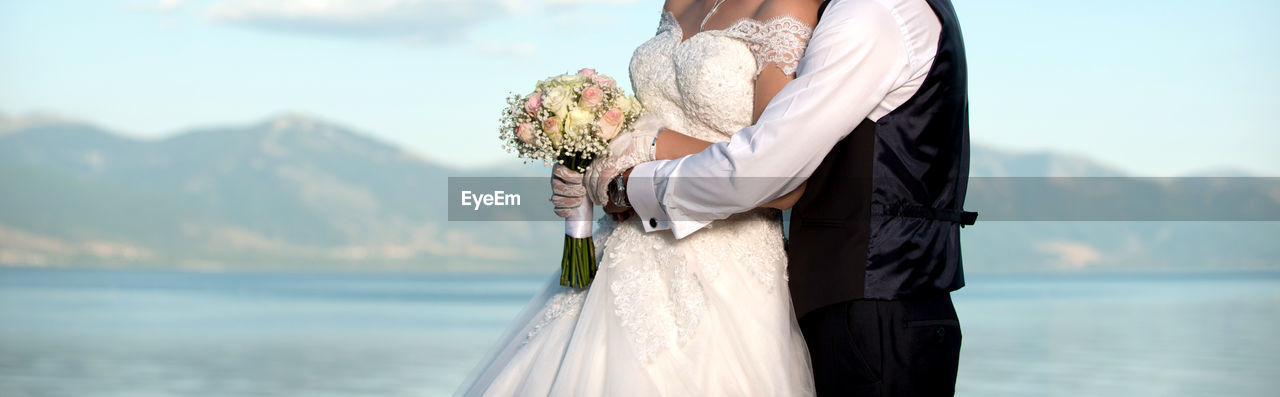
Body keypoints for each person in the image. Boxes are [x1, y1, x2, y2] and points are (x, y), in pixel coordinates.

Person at [575, 0, 978, 395]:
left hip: (877, 302)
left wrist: (633, 182)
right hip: (853, 297)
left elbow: (768, 166)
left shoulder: (872, 12)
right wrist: (595, 152)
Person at [457, 1, 824, 395]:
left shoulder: (785, 5)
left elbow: (777, 177)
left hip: (724, 261)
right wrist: (594, 162)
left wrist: (650, 145)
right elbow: (655, 115)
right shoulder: (677, 2)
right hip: (622, 245)